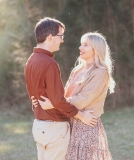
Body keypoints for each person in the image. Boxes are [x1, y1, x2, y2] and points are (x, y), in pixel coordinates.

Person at [24, 17, 98, 160]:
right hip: (54, 129)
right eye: (60, 36)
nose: (62, 40)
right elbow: (58, 100)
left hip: (39, 126)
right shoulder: (50, 63)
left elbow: (33, 94)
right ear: (50, 37)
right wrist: (82, 116)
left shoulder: (31, 60)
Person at [33, 32, 115, 160]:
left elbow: (83, 99)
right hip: (69, 121)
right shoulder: (77, 70)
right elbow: (64, 95)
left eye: (86, 45)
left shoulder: (100, 72)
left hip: (85, 126)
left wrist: (54, 103)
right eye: (81, 44)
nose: (80, 47)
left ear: (96, 49)